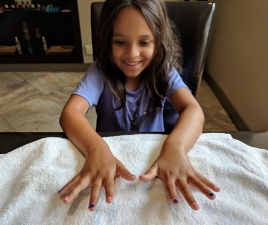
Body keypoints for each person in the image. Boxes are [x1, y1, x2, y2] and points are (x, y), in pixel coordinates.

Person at [59, 0, 220, 211]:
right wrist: (95, 148)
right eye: (120, 42)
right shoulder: (100, 71)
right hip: (108, 159)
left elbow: (193, 110)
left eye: (144, 42)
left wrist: (175, 148)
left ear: (158, 40)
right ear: (106, 40)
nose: (132, 54)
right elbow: (70, 113)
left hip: (152, 158)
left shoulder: (164, 71)